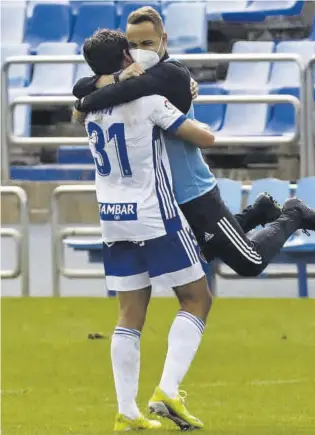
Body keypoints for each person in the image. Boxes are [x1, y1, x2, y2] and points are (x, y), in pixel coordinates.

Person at [73, 7, 315, 281]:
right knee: (200, 255)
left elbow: (105, 92)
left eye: (147, 43)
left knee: (250, 262)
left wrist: (85, 103)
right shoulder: (140, 76)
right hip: (166, 197)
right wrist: (103, 83)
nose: (140, 51)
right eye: (134, 45)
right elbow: (83, 84)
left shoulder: (169, 73)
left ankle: (292, 212)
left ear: (164, 39)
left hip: (193, 191)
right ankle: (260, 211)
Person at [82, 29, 220, 431]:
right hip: (154, 214)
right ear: (127, 56)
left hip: (112, 215)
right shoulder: (148, 101)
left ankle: (127, 411)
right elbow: (204, 138)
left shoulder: (89, 108)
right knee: (196, 298)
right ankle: (168, 391)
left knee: (129, 312)